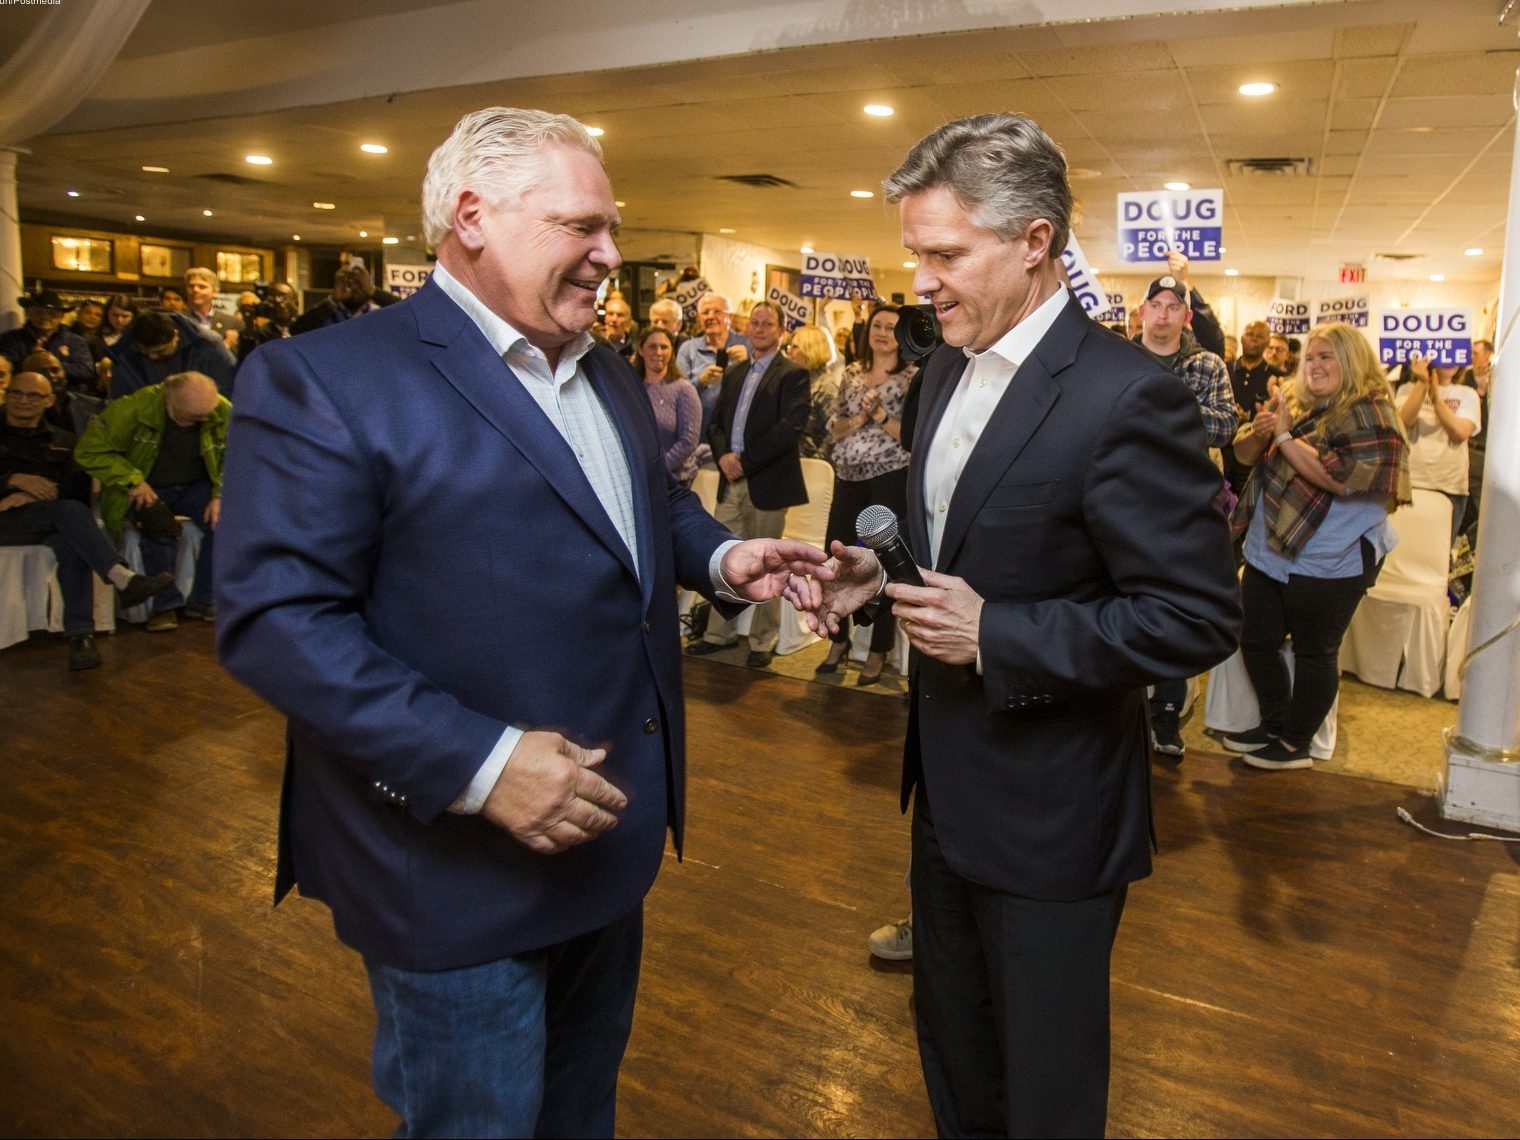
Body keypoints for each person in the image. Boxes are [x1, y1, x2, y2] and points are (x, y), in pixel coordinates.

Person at [213, 106, 826, 1139]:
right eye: (581, 227)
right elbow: (276, 622)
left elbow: (642, 500)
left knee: (577, 1115)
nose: (611, 255)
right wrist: (483, 764)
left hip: (603, 841)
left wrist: (723, 555)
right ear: (470, 218)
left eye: (611, 227)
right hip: (448, 867)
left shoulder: (604, 366)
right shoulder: (327, 379)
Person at [789, 113, 1240, 1138]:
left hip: (1052, 814)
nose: (921, 283)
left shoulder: (1127, 396)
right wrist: (879, 568)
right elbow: (966, 533)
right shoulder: (942, 368)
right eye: (916, 256)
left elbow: (1192, 616)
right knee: (953, 1055)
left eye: (944, 255)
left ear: (1034, 241)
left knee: (1042, 1089)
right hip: (943, 790)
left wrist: (998, 634)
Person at [1223, 323, 1410, 770]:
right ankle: (1274, 723)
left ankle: (1294, 743)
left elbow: (1340, 481)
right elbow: (1246, 456)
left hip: (1333, 556)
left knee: (1314, 652)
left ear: (1351, 362)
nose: (1315, 366)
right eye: (1310, 358)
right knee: (1256, 638)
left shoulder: (1374, 415)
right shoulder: (1292, 400)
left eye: (1327, 357)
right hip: (1271, 547)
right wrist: (1262, 432)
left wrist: (1285, 438)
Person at [1, 371, 174, 669]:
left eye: (34, 396)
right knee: (70, 519)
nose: (23, 401)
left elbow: (77, 493)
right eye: (17, 393)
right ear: (6, 395)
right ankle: (122, 578)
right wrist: (11, 481)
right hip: (4, 521)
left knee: (72, 539)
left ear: (49, 400)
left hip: (46, 518)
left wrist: (32, 497)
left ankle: (81, 637)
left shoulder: (66, 442)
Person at [1132, 273, 1239, 755]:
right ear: (1143, 311)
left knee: (1175, 604)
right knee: (1123, 600)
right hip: (1127, 497)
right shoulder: (1120, 357)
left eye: (1174, 306)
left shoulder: (1207, 363)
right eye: (1156, 304)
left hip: (1185, 504)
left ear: (1186, 317)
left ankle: (1167, 713)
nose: (1163, 313)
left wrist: (1166, 409)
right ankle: (1124, 705)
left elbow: (1225, 427)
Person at [687, 301, 810, 669]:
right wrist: (725, 457)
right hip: (732, 479)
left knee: (769, 564)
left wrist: (745, 462)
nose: (759, 328)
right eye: (754, 322)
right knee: (724, 560)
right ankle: (717, 635)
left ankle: (762, 640)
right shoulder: (736, 371)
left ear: (781, 330)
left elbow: (790, 428)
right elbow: (716, 423)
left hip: (767, 482)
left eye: (767, 323)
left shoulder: (793, 374)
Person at [74, 372, 229, 631]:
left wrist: (220, 495)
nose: (199, 422)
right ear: (168, 399)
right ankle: (164, 605)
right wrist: (131, 479)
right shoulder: (132, 409)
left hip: (196, 484)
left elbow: (234, 456)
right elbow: (88, 451)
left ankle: (204, 598)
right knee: (159, 529)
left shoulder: (220, 409)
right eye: (190, 416)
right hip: (145, 484)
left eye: (204, 416)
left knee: (224, 523)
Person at [815, 303, 917, 686]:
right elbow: (835, 428)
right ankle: (837, 641)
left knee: (885, 564)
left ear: (901, 336)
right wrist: (858, 418)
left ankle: (878, 650)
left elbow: (909, 436)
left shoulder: (911, 377)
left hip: (890, 478)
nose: (882, 332)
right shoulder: (853, 373)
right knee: (836, 557)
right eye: (877, 325)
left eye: (891, 327)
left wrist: (879, 417)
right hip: (848, 476)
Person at [1396, 356, 1480, 548]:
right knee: (1407, 549)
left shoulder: (1467, 394)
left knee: (1439, 554)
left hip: (1450, 486)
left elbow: (1460, 432)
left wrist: (1435, 397)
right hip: (1411, 483)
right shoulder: (1406, 390)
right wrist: (1423, 383)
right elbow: (1403, 422)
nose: (1450, 359)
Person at [106, 309, 236, 399]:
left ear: (176, 336)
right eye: (145, 352)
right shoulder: (124, 354)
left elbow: (227, 391)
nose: (152, 356)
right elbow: (121, 400)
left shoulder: (208, 346)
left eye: (160, 351)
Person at [675, 291, 749, 437]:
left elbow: (763, 388)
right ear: (698, 319)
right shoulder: (688, 349)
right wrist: (700, 381)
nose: (710, 317)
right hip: (700, 432)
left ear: (730, 317)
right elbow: (678, 394)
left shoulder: (748, 345)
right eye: (705, 312)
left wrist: (749, 364)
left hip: (738, 433)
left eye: (717, 311)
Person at [634, 326, 701, 486]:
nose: (658, 352)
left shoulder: (684, 389)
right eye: (652, 346)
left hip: (673, 482)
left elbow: (688, 441)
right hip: (637, 481)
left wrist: (658, 470)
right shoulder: (632, 387)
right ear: (641, 350)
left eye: (664, 347)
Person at [0, 289, 95, 392]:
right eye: (38, 312)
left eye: (52, 314)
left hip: (66, 398)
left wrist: (52, 363)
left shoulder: (75, 341)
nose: (45, 317)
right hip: (23, 395)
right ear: (28, 312)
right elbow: (5, 368)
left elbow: (86, 370)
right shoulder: (11, 339)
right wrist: (32, 361)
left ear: (61, 317)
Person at [782, 324, 840, 463]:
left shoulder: (825, 387)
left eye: (795, 347)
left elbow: (837, 430)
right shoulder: (800, 382)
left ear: (810, 349)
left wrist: (818, 460)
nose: (789, 353)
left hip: (813, 471)